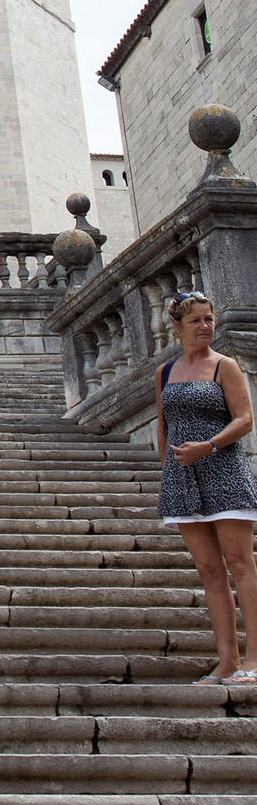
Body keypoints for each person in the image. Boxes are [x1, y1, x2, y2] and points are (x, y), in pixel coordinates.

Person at [156, 290, 257, 683]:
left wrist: (209, 446)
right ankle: (227, 661)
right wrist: (169, 471)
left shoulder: (225, 365)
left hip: (225, 472)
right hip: (183, 480)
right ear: (178, 327)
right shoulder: (164, 373)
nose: (205, 326)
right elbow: (163, 427)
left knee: (241, 565)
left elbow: (245, 419)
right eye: (196, 320)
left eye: (209, 318)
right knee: (210, 570)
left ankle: (254, 660)